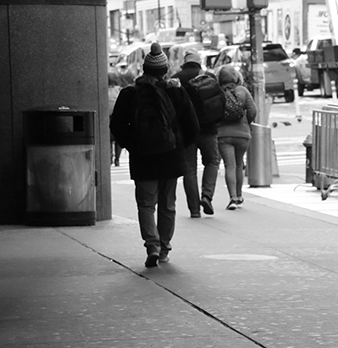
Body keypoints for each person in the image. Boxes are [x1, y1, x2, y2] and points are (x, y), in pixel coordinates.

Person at [110, 42, 200, 268]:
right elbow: (193, 125)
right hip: (171, 156)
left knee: (146, 204)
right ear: (165, 70)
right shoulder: (175, 93)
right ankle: (164, 249)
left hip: (143, 157)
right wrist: (178, 144)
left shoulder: (130, 94)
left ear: (144, 69)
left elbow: (117, 126)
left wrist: (132, 145)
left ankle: (152, 245)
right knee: (168, 204)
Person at [173, 49, 222, 218]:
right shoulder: (209, 77)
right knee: (212, 162)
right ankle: (207, 196)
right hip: (209, 129)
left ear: (184, 62)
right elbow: (218, 102)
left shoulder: (177, 79)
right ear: (199, 62)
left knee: (189, 170)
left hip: (186, 132)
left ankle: (194, 210)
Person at [216, 64, 257, 210]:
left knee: (230, 166)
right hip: (242, 134)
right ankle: (239, 196)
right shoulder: (243, 91)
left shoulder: (218, 93)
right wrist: (246, 122)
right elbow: (252, 111)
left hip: (223, 135)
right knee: (239, 164)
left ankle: (232, 198)